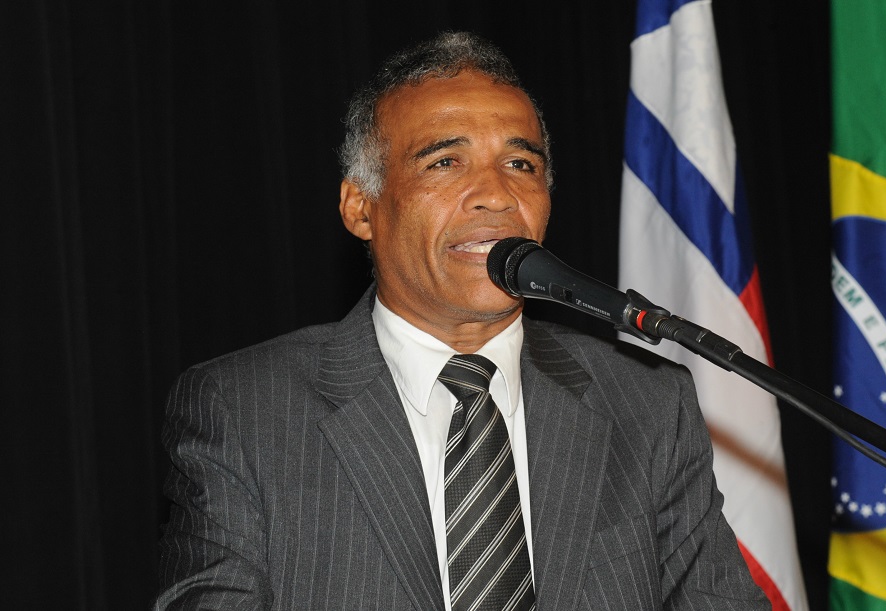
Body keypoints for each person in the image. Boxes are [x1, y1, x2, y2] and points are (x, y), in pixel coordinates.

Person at [154, 32, 768, 610]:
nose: (496, 194)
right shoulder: (244, 410)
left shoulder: (648, 404)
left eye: (521, 164)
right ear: (360, 208)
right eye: (445, 162)